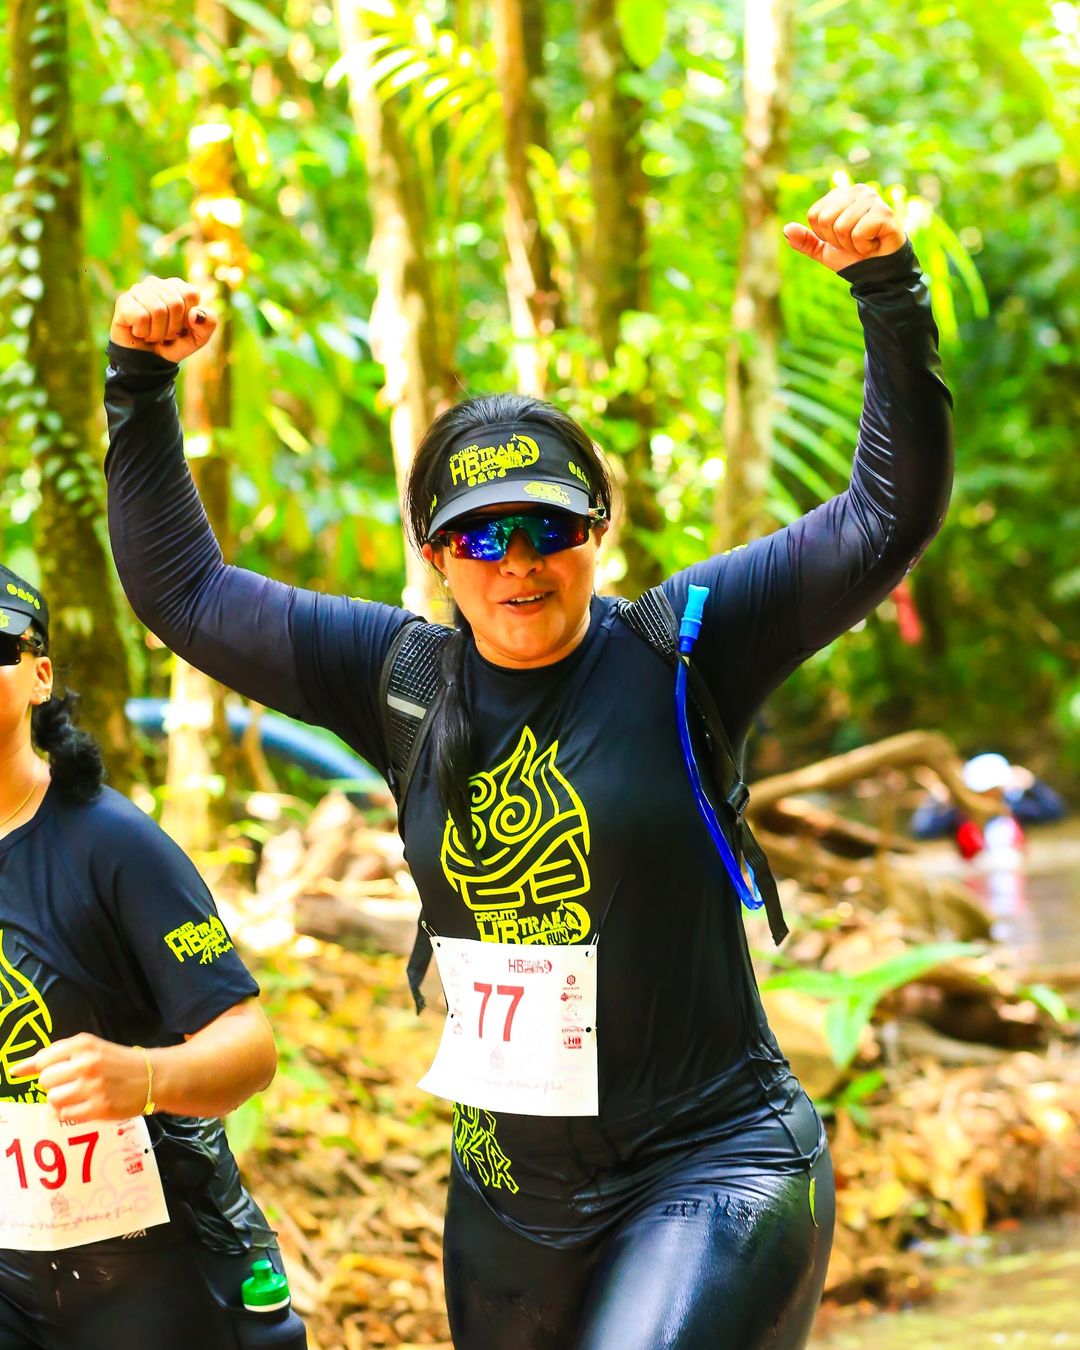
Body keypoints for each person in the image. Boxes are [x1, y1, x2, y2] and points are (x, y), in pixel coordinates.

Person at [103, 183, 953, 1348]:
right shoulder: (398, 679)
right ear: (435, 554)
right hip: (509, 1204)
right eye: (481, 534)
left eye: (549, 527)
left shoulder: (685, 646)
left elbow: (880, 519)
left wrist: (889, 291)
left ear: (597, 531)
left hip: (713, 1163)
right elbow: (186, 594)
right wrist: (141, 384)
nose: (519, 562)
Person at [0, 566, 307, 1349]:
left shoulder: (113, 844)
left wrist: (142, 1077)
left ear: (40, 677)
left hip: (154, 1269)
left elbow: (250, 1048)